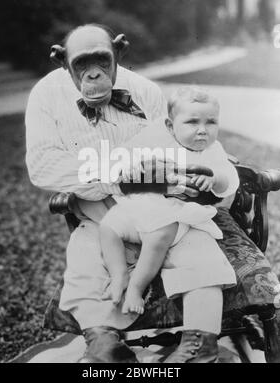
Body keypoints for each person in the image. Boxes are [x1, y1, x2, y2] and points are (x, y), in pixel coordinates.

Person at [25, 24, 280, 363]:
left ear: (119, 52)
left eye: (102, 61)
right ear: (62, 63)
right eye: (81, 66)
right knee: (86, 261)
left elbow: (182, 146)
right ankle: (105, 344)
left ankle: (199, 344)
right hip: (102, 209)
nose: (94, 75)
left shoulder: (146, 92)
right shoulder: (46, 97)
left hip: (170, 208)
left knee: (200, 255)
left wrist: (197, 176)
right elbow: (43, 166)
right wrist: (119, 175)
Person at [99, 87, 237, 317]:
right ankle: (119, 274)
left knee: (158, 238)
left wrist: (214, 177)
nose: (202, 130)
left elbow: (229, 177)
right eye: (192, 122)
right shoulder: (157, 141)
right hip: (142, 206)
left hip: (178, 214)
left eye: (211, 122)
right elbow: (127, 157)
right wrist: (131, 166)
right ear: (171, 126)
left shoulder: (212, 151)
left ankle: (135, 288)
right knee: (108, 227)